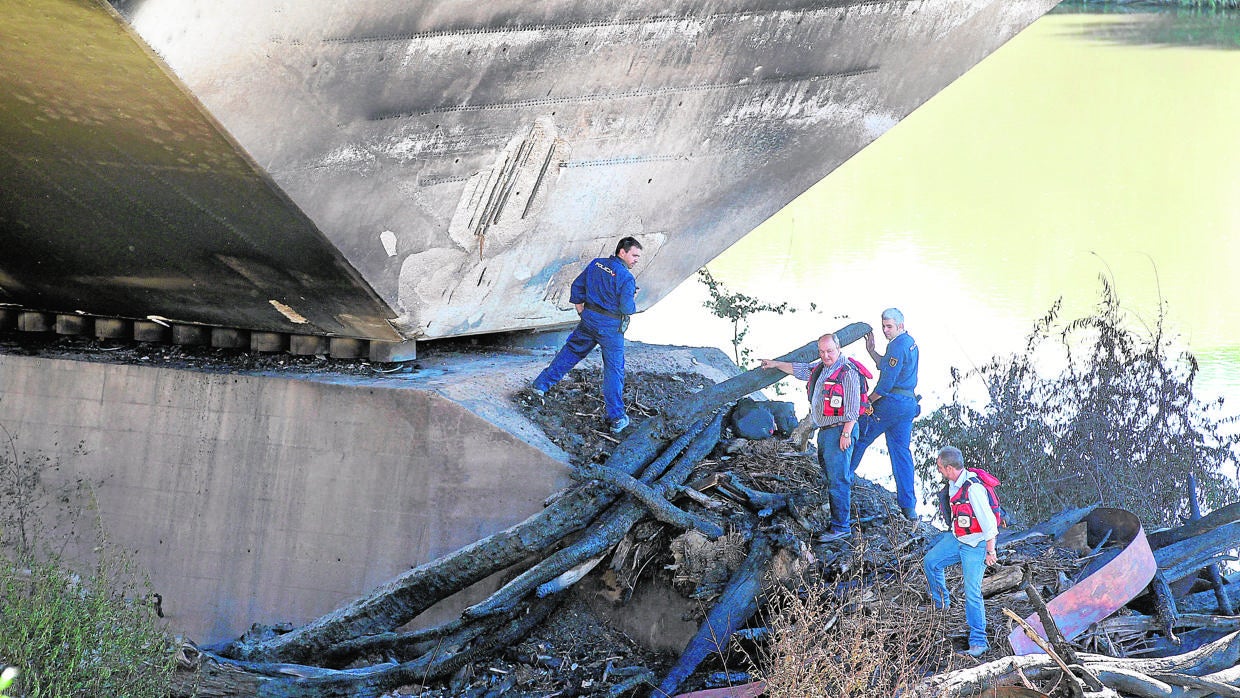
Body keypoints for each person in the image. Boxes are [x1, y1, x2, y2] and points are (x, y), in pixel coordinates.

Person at [531, 237, 642, 434]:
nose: (636, 260)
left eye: (638, 257)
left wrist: (581, 310)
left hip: (589, 320)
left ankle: (540, 385)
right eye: (634, 255)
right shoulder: (626, 278)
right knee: (613, 370)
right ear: (622, 252)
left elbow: (577, 286)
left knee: (571, 352)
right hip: (610, 328)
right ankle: (616, 417)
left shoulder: (597, 264)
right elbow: (627, 307)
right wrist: (633, 297)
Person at [759, 334, 861, 542]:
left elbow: (854, 407)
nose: (826, 355)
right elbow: (799, 370)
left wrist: (846, 434)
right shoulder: (821, 368)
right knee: (833, 475)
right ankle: (838, 520)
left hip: (841, 430)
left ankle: (841, 527)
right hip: (826, 430)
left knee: (838, 479)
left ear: (838, 349)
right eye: (822, 352)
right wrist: (775, 364)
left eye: (829, 351)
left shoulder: (847, 372)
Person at [923, 446, 998, 658]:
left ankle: (978, 641)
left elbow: (990, 524)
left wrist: (990, 551)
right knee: (931, 562)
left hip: (977, 545)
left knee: (972, 592)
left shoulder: (973, 488)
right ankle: (942, 605)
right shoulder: (952, 483)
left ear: (948, 467)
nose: (938, 471)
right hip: (957, 539)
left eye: (939, 467)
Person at [850, 308, 920, 520]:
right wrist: (871, 350)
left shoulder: (897, 346)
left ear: (900, 325)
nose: (885, 330)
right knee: (901, 453)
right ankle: (909, 508)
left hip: (892, 403)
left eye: (889, 327)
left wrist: (866, 402)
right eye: (883, 326)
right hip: (908, 403)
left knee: (860, 436)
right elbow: (887, 366)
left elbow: (885, 385)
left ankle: (840, 479)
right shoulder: (909, 342)